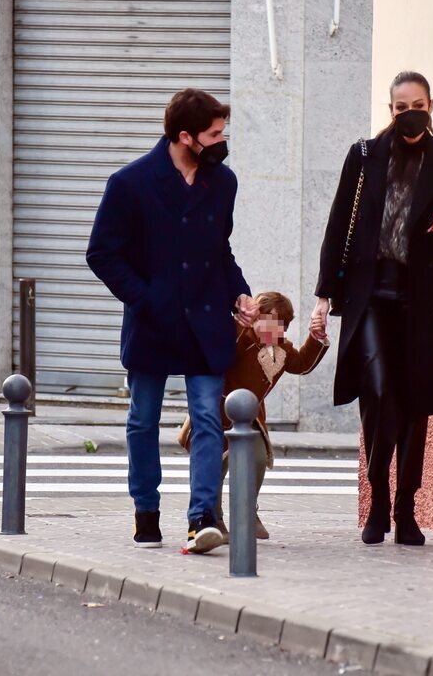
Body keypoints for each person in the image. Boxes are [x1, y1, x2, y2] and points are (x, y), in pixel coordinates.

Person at [86, 88, 259, 555]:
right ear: (186, 136)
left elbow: (219, 250)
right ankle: (146, 511)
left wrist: (238, 292)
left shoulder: (223, 183)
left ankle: (201, 516)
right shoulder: (130, 183)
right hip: (153, 322)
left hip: (206, 322)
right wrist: (145, 298)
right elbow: (101, 253)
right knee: (143, 420)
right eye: (214, 133)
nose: (222, 141)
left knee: (207, 416)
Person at [310, 71, 433, 546]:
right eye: (401, 107)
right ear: (391, 111)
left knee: (414, 403)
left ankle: (406, 509)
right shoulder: (365, 156)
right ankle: (377, 499)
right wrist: (323, 298)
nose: (410, 113)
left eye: (417, 105)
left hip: (419, 298)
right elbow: (338, 223)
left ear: (431, 106)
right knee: (379, 393)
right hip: (370, 296)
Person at [178, 291, 329, 542]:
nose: (275, 329)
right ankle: (212, 517)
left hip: (251, 417)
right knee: (214, 466)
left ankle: (247, 510)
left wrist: (316, 337)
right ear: (256, 318)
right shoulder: (241, 337)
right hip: (218, 411)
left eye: (282, 325)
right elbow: (222, 352)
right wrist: (241, 324)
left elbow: (302, 363)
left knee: (258, 459)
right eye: (268, 321)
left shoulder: (281, 349)